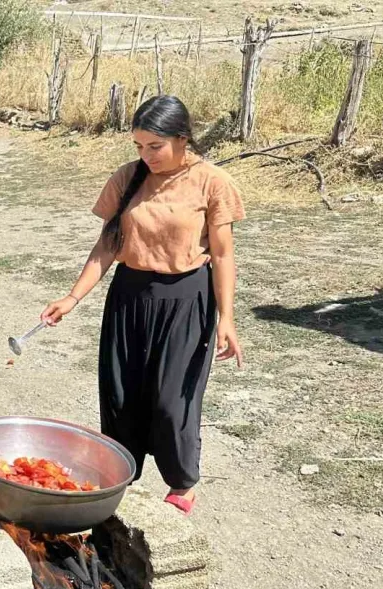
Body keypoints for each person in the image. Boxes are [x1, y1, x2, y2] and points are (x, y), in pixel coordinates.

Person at [41, 95, 245, 516]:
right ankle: (123, 473)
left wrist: (227, 318)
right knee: (121, 394)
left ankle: (182, 483)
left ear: (182, 139)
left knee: (174, 400)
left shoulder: (212, 182)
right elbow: (107, 246)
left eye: (155, 146)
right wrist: (72, 297)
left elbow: (223, 255)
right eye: (138, 146)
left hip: (187, 299)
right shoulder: (126, 178)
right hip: (129, 295)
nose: (145, 155)